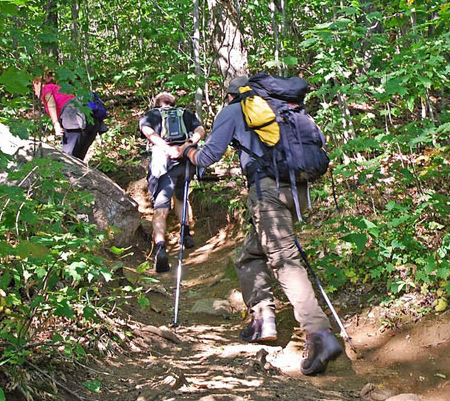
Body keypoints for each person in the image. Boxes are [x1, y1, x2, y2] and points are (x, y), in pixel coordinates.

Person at [182, 76, 342, 376]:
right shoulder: (285, 108)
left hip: (266, 191)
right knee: (250, 255)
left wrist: (186, 151)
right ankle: (262, 319)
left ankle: (319, 334)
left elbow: (208, 156)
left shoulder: (234, 109)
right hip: (298, 191)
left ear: (229, 95)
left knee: (284, 261)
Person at [139, 92, 205, 273]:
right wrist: (186, 145)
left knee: (161, 206)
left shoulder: (151, 115)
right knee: (182, 197)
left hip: (164, 165)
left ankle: (160, 247)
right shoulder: (185, 113)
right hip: (186, 162)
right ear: (173, 103)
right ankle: (186, 234)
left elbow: (148, 132)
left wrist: (167, 148)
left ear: (157, 103)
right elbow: (201, 130)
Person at [33, 73, 100, 161]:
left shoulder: (47, 88)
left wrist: (56, 124)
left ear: (39, 83)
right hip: (91, 120)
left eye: (34, 87)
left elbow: (51, 103)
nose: (34, 91)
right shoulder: (61, 89)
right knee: (78, 158)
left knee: (68, 159)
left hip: (74, 121)